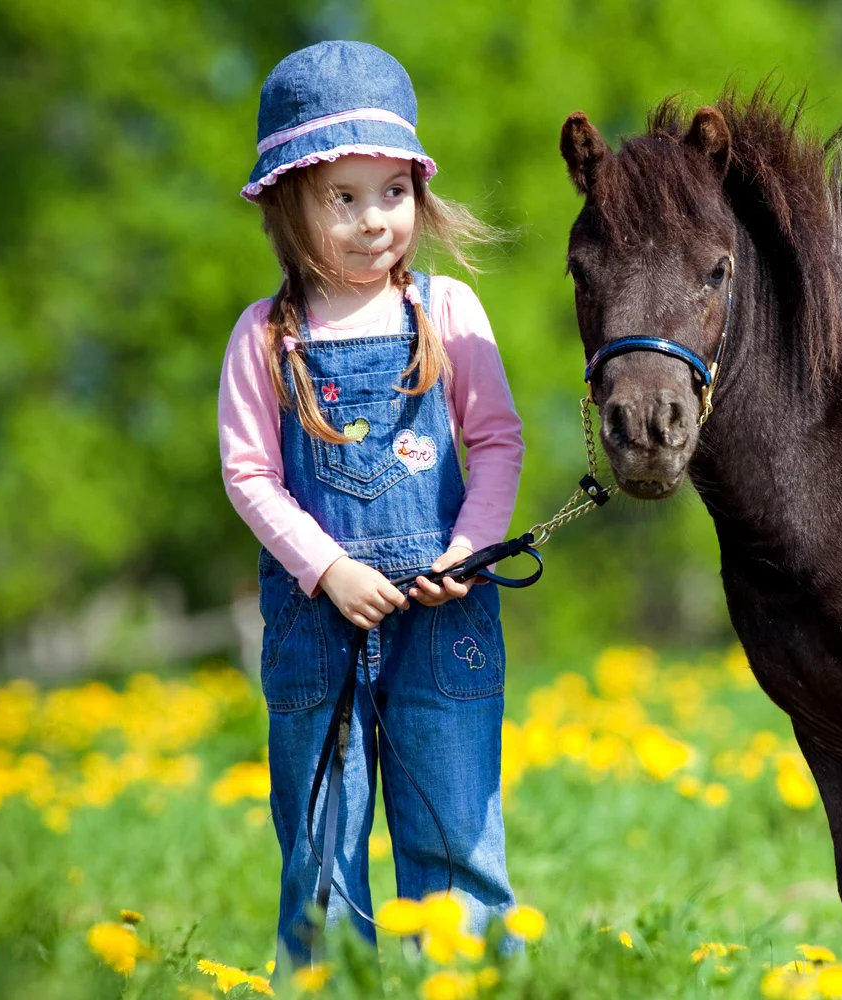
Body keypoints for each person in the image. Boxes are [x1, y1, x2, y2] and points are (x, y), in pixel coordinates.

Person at [216, 39, 523, 967]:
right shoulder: (265, 338)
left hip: (446, 617)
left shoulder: (451, 311)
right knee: (320, 852)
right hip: (318, 623)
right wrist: (330, 569)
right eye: (341, 198)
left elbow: (499, 442)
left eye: (390, 192)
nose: (372, 220)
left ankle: (468, 987)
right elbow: (249, 474)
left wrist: (465, 553)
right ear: (287, 205)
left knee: (456, 841)